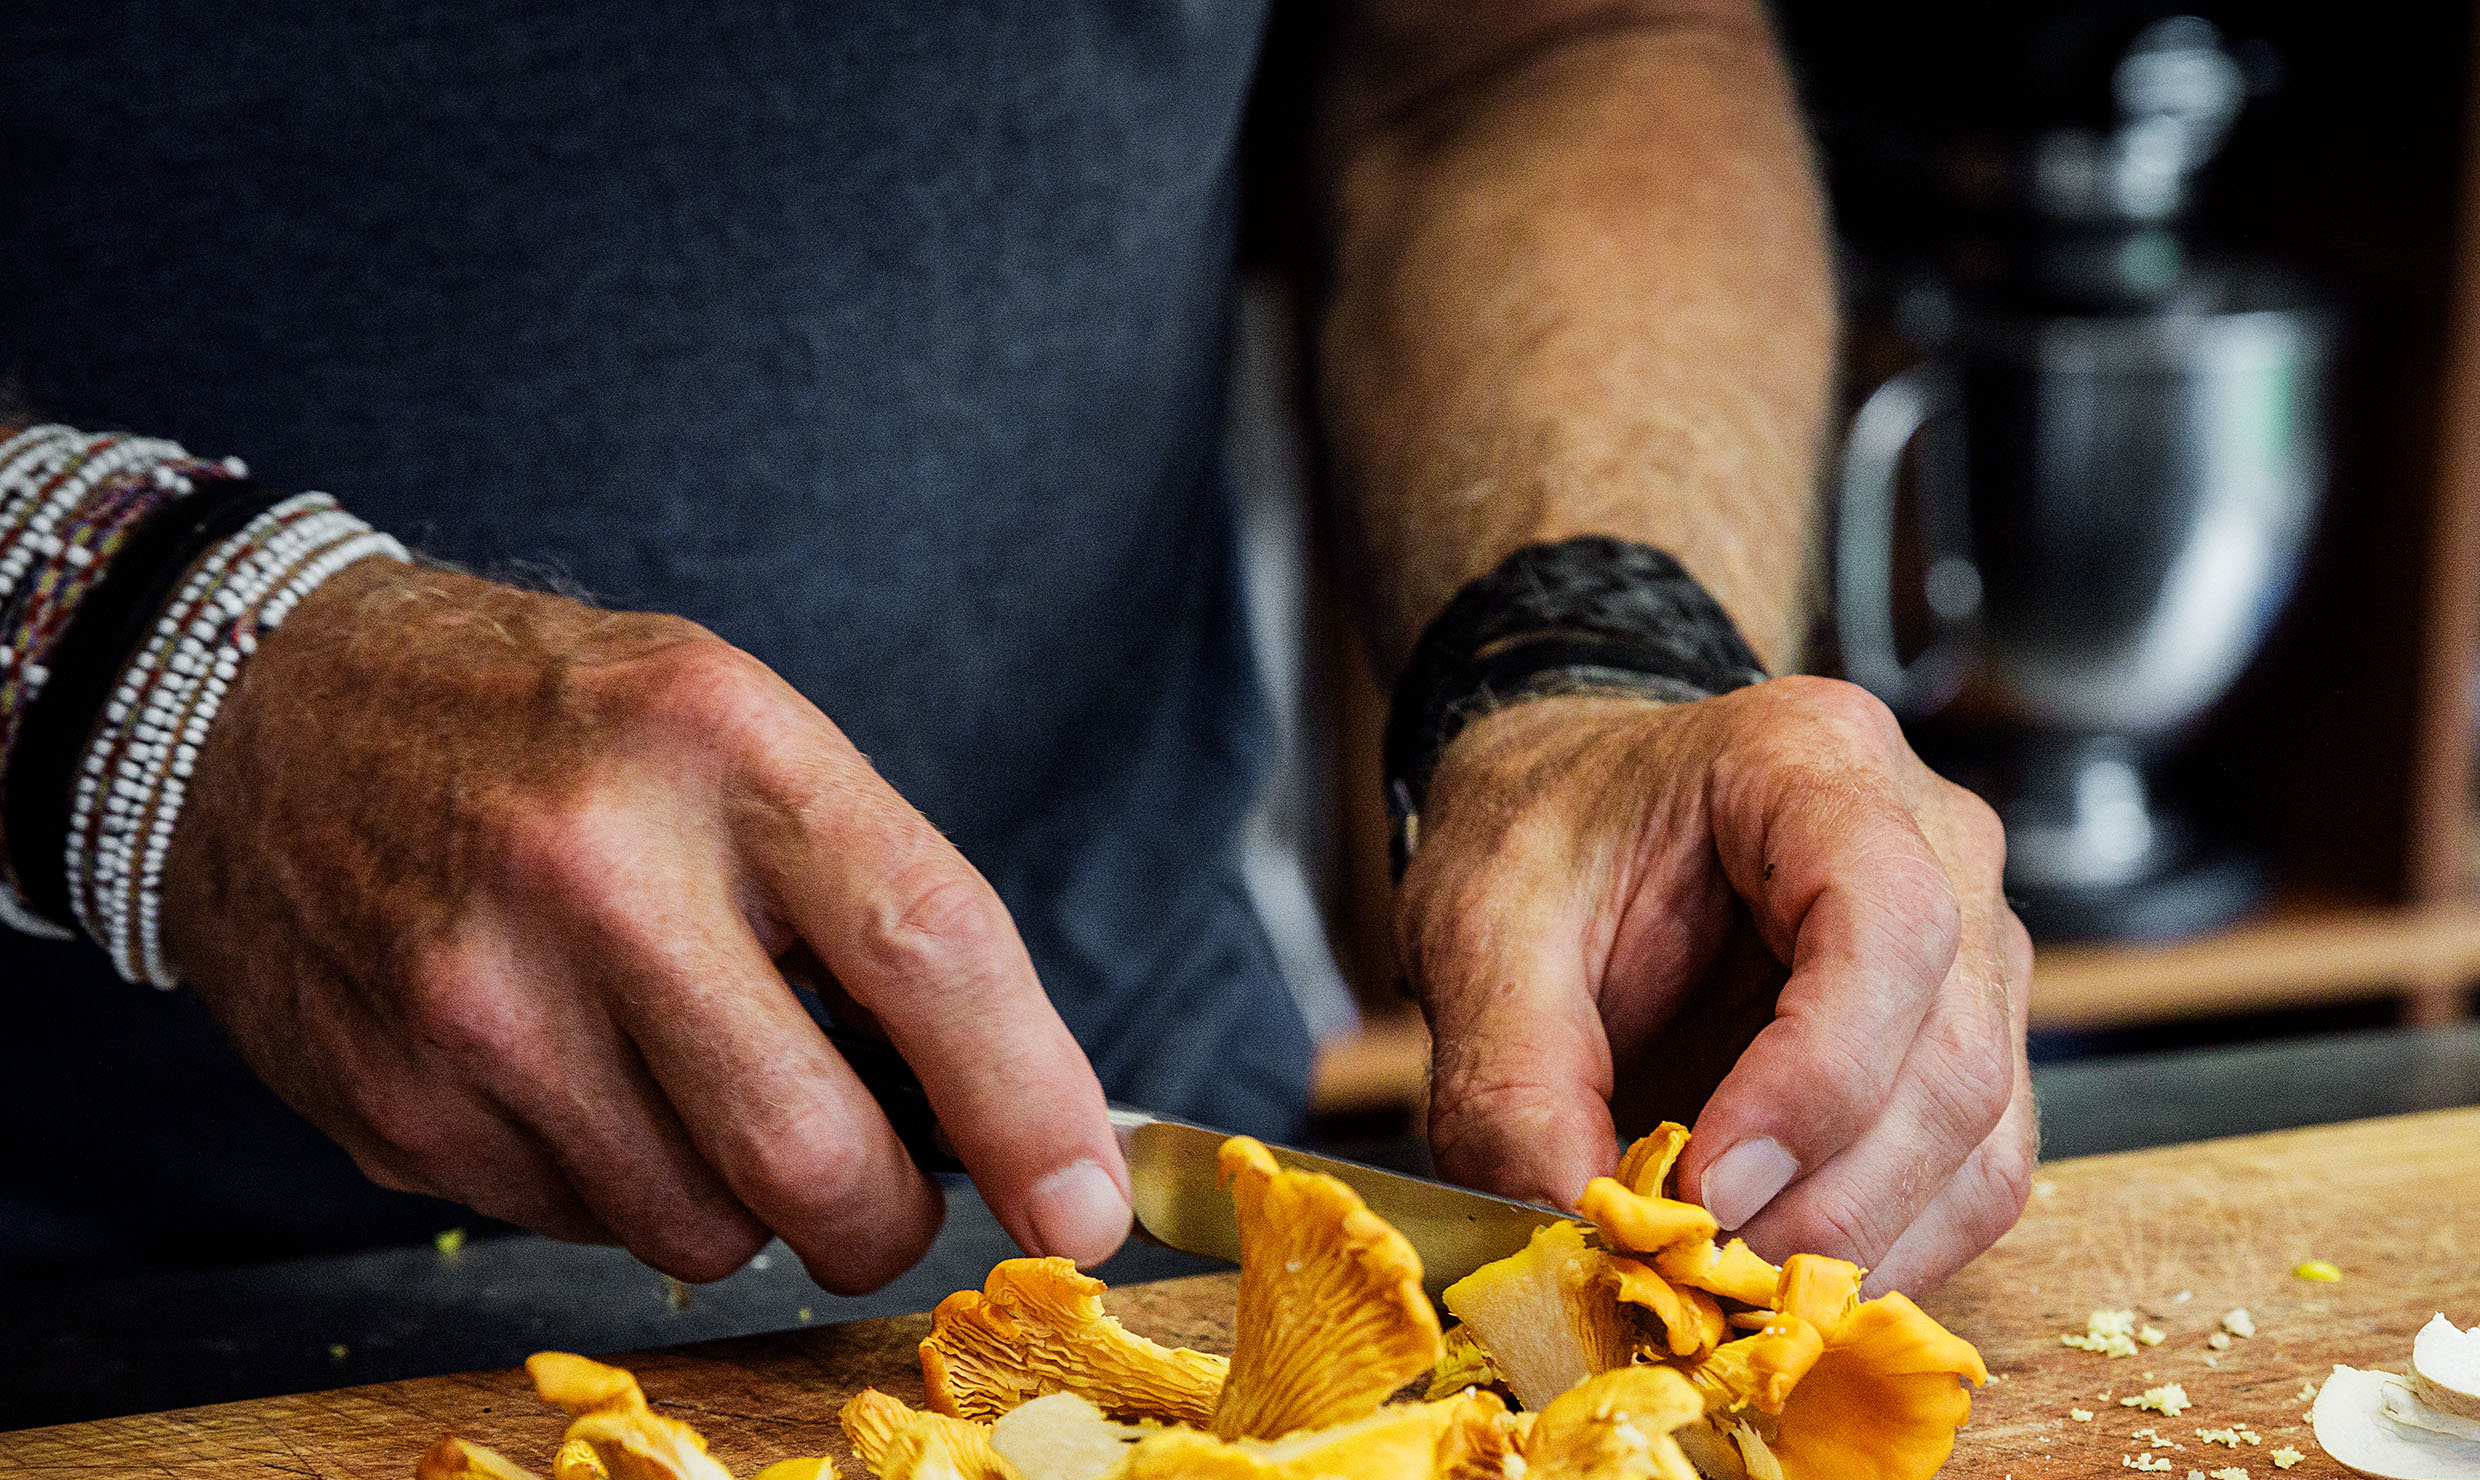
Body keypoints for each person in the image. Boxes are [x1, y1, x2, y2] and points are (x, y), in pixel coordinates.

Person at [0, 1, 2034, 1300]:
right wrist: (130, 663)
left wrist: (1593, 662)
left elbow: (1543, 46)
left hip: (1133, 1203)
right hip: (73, 1287)